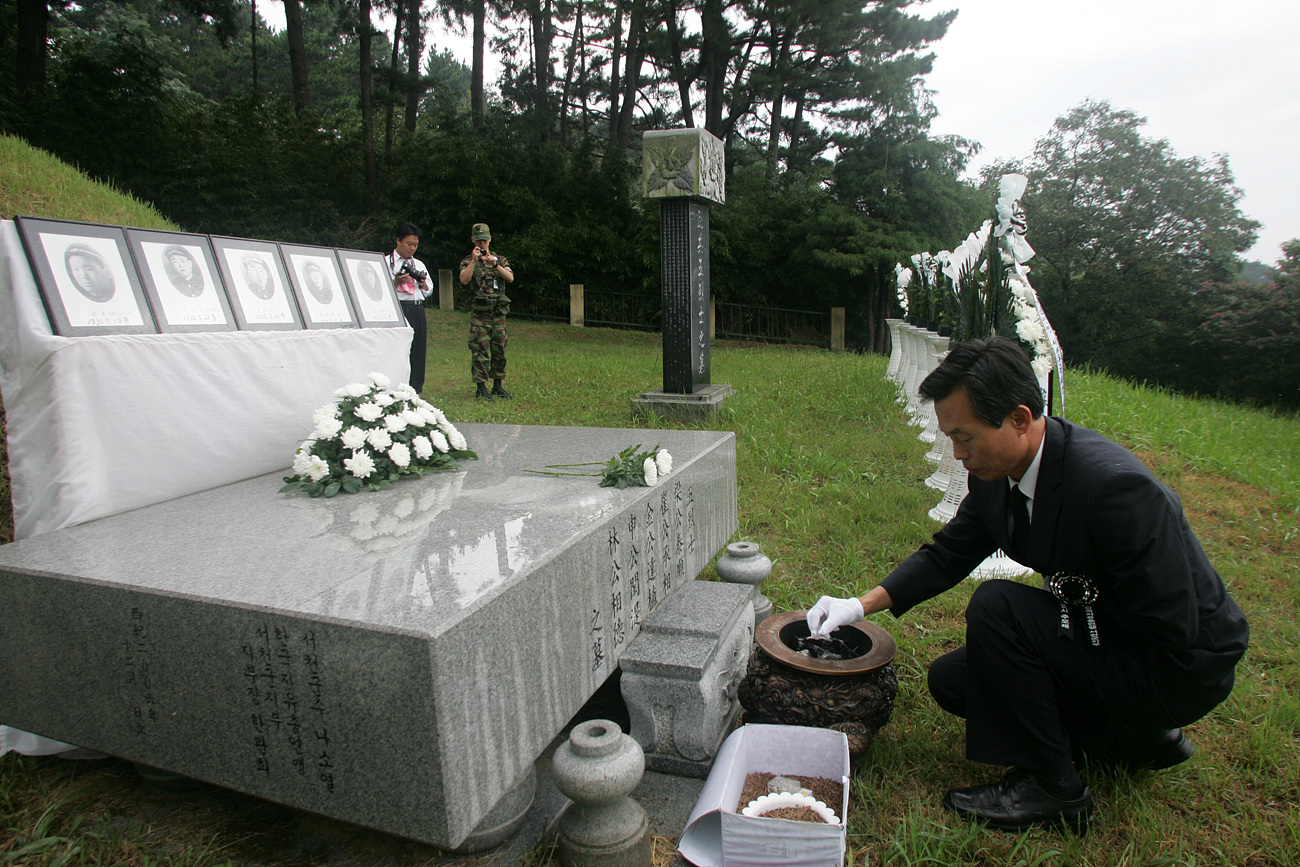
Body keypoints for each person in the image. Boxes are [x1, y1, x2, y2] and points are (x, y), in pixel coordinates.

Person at [806, 336, 1248, 836]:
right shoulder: (998, 475)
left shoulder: (1116, 490)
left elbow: (1171, 623)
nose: (958, 454)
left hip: (1173, 662)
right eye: (950, 436)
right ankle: (1126, 738)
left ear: (1019, 418)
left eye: (966, 437)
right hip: (1113, 639)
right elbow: (950, 553)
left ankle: (1056, 787)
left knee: (1001, 606)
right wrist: (860, 605)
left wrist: (1070, 647)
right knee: (956, 682)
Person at [458, 222, 514, 400]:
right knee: (480, 349)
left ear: (490, 239)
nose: (482, 244)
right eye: (478, 240)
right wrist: (474, 261)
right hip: (480, 315)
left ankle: (498, 385)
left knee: (499, 349)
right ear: (473, 240)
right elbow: (464, 280)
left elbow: (510, 278)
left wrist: (495, 264)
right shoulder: (468, 261)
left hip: (498, 313)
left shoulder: (500, 260)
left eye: (485, 240)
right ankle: (481, 387)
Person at [387, 222, 432, 393]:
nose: (412, 248)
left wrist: (422, 284)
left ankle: (416, 389)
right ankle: (395, 386)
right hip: (397, 308)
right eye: (409, 244)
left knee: (418, 350)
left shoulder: (419, 265)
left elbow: (429, 290)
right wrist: (395, 282)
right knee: (397, 350)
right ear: (398, 241)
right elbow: (378, 290)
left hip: (417, 308)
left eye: (415, 245)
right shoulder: (386, 262)